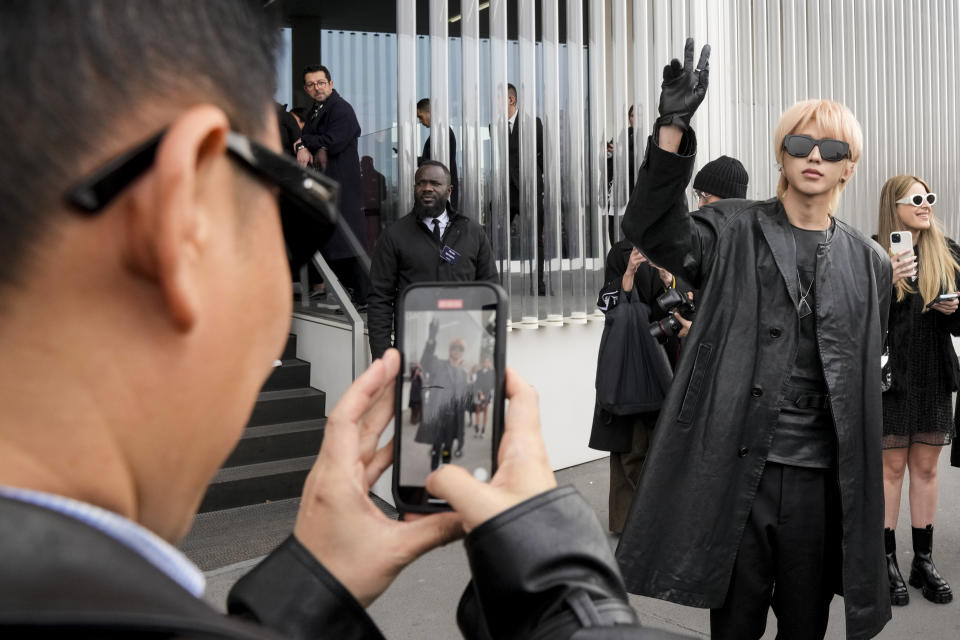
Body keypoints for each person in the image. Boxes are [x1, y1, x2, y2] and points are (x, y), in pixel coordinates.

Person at [0, 3, 696, 639]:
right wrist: (557, 584)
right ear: (188, 222)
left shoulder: (475, 230)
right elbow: (381, 294)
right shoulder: (395, 236)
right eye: (295, 214)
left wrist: (309, 588)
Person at [617, 39, 893, 640]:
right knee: (735, 624)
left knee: (805, 625)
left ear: (850, 165)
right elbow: (651, 230)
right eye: (800, 143)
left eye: (831, 148)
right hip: (740, 466)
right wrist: (671, 130)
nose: (813, 156)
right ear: (782, 154)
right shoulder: (732, 228)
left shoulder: (867, 263)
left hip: (822, 479)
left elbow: (868, 370)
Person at [592, 156, 747, 534]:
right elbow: (605, 305)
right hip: (638, 354)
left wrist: (671, 282)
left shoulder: (692, 247)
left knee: (676, 443)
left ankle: (671, 517)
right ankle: (628, 522)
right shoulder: (622, 250)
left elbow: (704, 299)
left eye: (701, 197)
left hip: (682, 352)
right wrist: (629, 274)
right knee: (632, 445)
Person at [876, 175, 959, 607]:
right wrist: (887, 280)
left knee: (926, 469)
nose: (926, 204)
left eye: (930, 197)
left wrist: (953, 310)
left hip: (932, 374)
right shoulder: (873, 250)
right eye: (916, 198)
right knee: (890, 471)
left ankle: (922, 561)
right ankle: (885, 561)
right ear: (895, 204)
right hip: (890, 378)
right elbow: (855, 318)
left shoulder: (948, 252)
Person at [367, 161, 498, 359]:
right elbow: (380, 299)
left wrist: (487, 350)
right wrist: (383, 357)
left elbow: (490, 292)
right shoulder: (394, 236)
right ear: (414, 188)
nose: (427, 188)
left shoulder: (472, 232)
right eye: (421, 183)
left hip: (465, 348)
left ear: (449, 190)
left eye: (435, 183)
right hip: (414, 351)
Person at [296, 63, 370, 307]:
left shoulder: (341, 109)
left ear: (331, 84)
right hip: (328, 186)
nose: (317, 88)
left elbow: (333, 142)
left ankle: (364, 296)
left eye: (321, 83)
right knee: (333, 242)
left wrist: (304, 141)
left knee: (348, 241)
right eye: (311, 84)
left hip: (343, 186)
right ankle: (350, 294)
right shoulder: (319, 110)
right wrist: (305, 143)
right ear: (306, 89)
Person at [507, 83, 546, 296]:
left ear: (511, 100)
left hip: (529, 189)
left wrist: (537, 185)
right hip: (505, 192)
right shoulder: (494, 126)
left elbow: (542, 155)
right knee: (494, 236)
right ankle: (493, 281)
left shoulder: (533, 124)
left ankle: (538, 284)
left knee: (535, 238)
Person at [416, 324, 472, 468]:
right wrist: (431, 339)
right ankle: (434, 471)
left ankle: (445, 468)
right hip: (438, 416)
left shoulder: (463, 374)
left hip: (453, 419)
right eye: (454, 347)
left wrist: (462, 437)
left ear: (463, 352)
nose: (457, 351)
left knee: (448, 448)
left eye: (461, 349)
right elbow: (425, 361)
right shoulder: (439, 365)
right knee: (437, 447)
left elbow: (463, 401)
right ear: (450, 350)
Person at [417, 97, 460, 208]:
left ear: (430, 112)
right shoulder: (440, 132)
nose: (420, 121)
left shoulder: (442, 133)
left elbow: (435, 164)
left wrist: (411, 158)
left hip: (441, 193)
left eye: (420, 117)